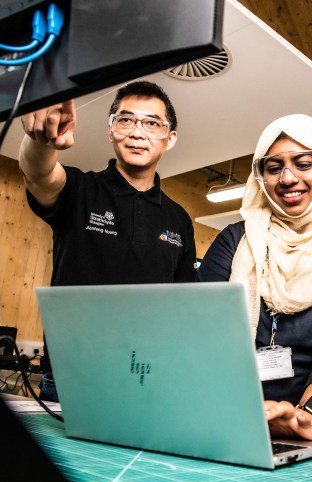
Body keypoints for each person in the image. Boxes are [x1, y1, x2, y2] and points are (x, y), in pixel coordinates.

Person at [197, 114, 312, 448]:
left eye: (303, 164)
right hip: (234, 427)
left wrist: (310, 417)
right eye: (273, 168)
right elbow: (201, 327)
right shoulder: (235, 241)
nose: (287, 178)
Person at [19, 80, 197, 400]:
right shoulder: (79, 190)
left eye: (152, 123)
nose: (137, 133)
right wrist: (41, 141)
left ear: (170, 138)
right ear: (111, 130)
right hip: (71, 381)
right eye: (126, 120)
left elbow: (183, 306)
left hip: (147, 382)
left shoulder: (179, 219)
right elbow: (39, 173)